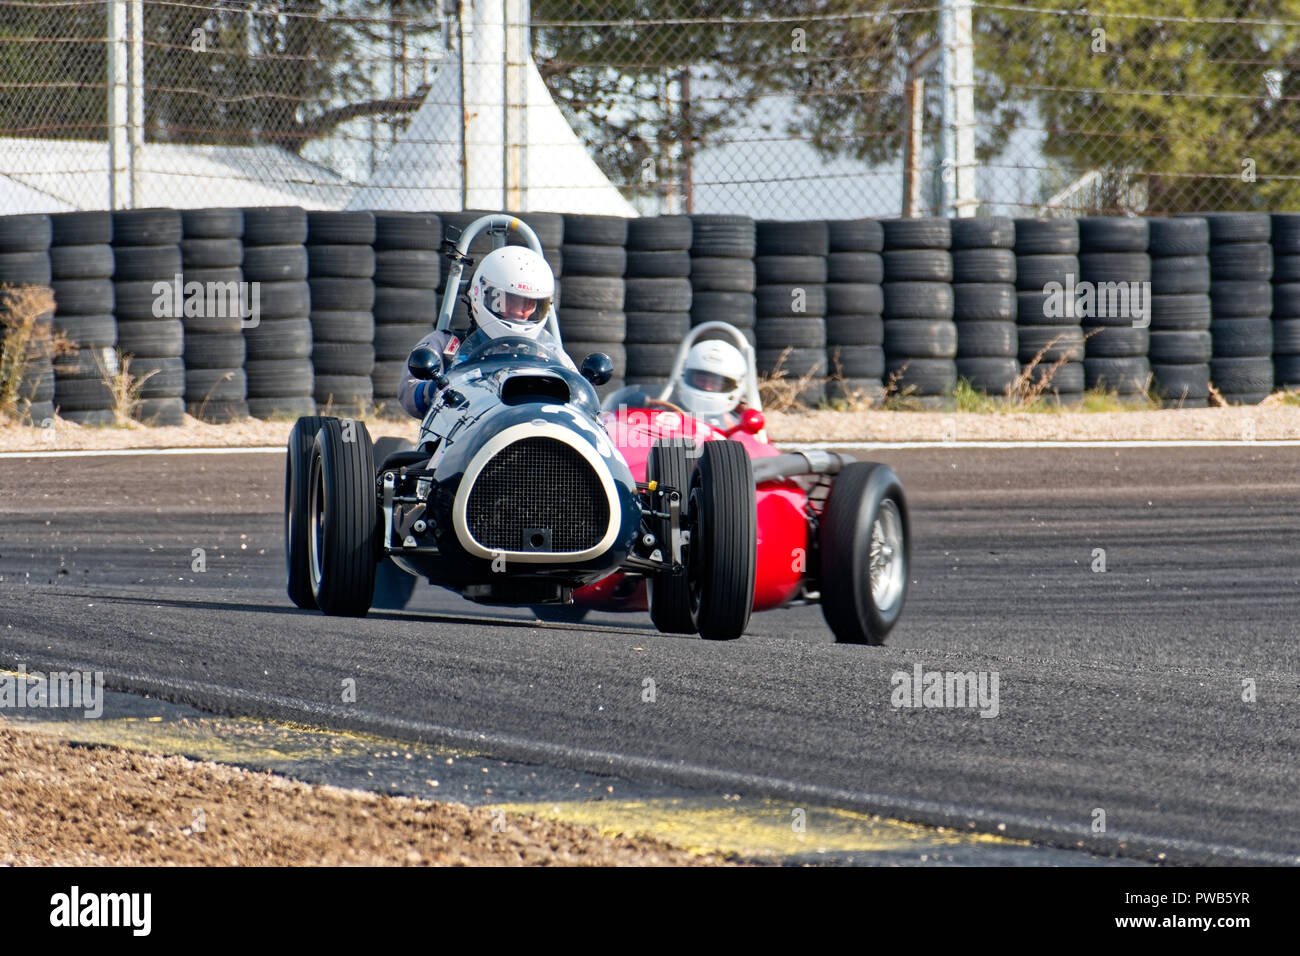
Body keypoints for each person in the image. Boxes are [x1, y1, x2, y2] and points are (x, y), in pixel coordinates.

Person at [399, 245, 571, 418]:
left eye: (530, 304)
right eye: (509, 301)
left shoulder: (550, 351)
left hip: (534, 431)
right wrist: (437, 388)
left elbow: (578, 396)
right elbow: (408, 393)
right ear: (482, 294)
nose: (520, 312)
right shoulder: (447, 346)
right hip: (466, 431)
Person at [670, 338, 751, 428]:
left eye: (715, 384)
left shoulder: (737, 426)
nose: (707, 387)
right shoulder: (666, 415)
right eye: (701, 380)